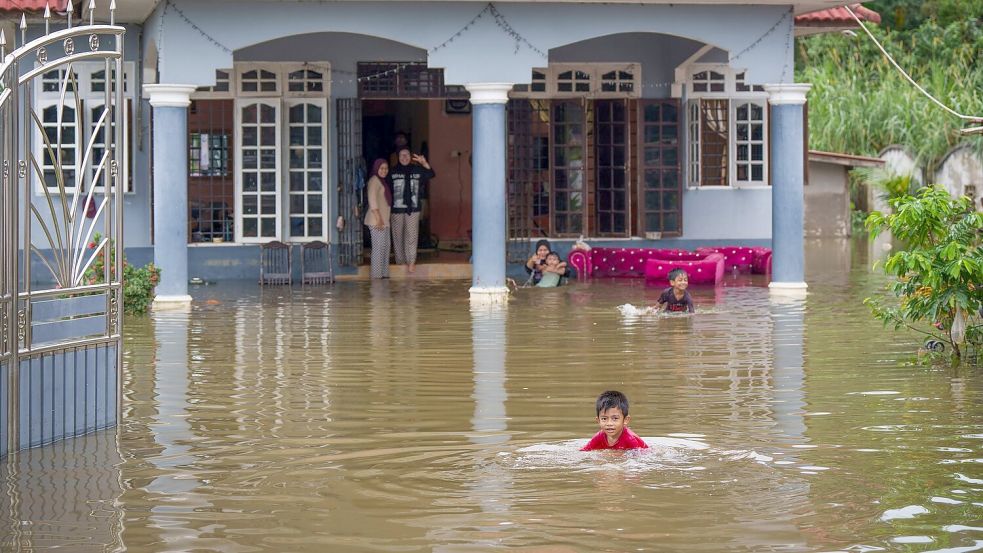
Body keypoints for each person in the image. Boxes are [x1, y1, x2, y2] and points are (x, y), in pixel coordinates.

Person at [389, 147, 434, 274]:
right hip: (396, 209)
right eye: (401, 155)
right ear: (398, 157)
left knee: (412, 235)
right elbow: (386, 189)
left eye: (407, 155)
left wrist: (423, 163)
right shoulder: (392, 172)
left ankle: (411, 262)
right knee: (398, 236)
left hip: (413, 209)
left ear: (411, 156)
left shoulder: (417, 170)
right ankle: (400, 262)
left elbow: (431, 174)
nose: (404, 157)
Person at [581, 390, 648, 451]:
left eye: (615, 418)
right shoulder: (599, 437)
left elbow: (639, 458)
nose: (609, 423)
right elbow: (583, 451)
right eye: (604, 419)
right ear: (598, 420)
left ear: (625, 420)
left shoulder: (630, 439)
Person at [364, 158, 391, 279]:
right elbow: (372, 201)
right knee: (378, 249)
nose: (384, 171)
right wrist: (379, 219)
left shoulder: (382, 181)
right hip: (376, 221)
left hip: (384, 221)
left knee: (385, 248)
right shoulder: (374, 181)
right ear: (376, 168)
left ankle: (384, 275)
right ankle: (376, 277)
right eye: (382, 168)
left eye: (386, 168)